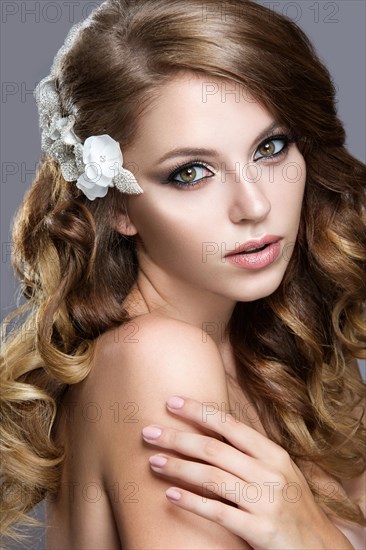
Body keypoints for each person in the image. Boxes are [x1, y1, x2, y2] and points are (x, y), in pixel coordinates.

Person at [0, 0, 365, 548]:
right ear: (119, 209)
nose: (254, 205)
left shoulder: (297, 355)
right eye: (191, 172)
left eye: (270, 147)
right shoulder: (159, 358)